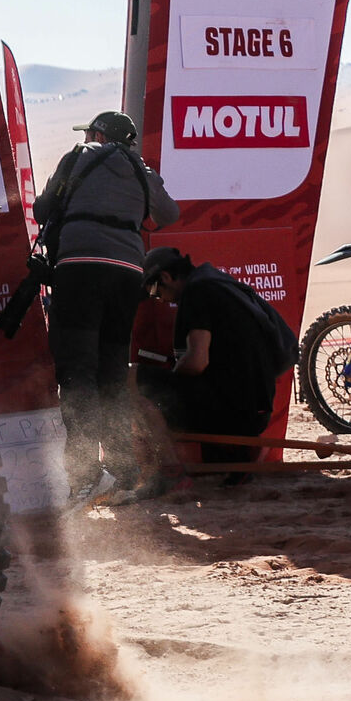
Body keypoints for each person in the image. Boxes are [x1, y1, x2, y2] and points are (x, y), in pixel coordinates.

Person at [32, 110, 179, 498]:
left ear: (97, 134)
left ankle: (84, 474)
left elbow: (42, 209)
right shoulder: (139, 168)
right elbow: (169, 213)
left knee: (77, 370)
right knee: (112, 371)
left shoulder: (77, 156)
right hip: (128, 273)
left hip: (79, 269)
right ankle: (123, 469)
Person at [140, 247, 292, 474]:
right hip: (256, 411)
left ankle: (168, 468)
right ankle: (247, 450)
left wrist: (171, 375)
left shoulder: (196, 292)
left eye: (154, 290)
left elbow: (197, 362)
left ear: (166, 277)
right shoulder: (218, 281)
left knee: (133, 378)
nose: (158, 299)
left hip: (231, 413)